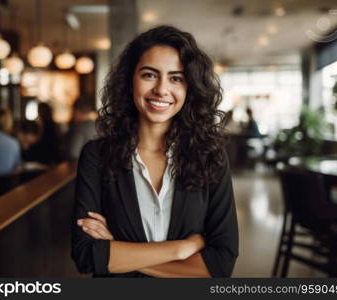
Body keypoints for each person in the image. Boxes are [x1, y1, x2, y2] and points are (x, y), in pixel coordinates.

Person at [71, 25, 238, 278]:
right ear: (130, 81)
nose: (161, 89)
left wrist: (119, 252)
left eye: (176, 78)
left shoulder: (209, 156)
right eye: (149, 75)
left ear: (189, 88)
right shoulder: (97, 156)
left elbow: (221, 263)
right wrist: (182, 249)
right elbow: (86, 256)